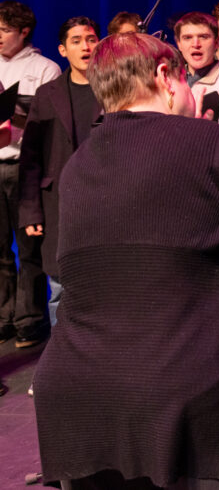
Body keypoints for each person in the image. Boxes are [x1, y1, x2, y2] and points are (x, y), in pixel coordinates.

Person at [33, 32, 219, 489]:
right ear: (165, 76)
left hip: (80, 392)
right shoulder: (208, 142)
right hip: (191, 386)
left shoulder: (79, 163)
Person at [19, 17, 102, 327]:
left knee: (102, 283)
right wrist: (30, 212)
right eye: (76, 41)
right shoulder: (47, 94)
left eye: (91, 39)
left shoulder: (114, 88)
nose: (85, 46)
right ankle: (62, 353)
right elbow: (31, 158)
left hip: (102, 199)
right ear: (63, 50)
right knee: (59, 288)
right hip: (59, 203)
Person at [0, 0, 61, 349]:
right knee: (0, 250)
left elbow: (46, 123)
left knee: (29, 249)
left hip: (24, 166)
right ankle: (4, 317)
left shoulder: (44, 68)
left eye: (5, 30)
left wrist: (15, 119)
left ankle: (30, 320)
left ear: (24, 31)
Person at [173, 11, 219, 109]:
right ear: (179, 44)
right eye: (188, 38)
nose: (196, 44)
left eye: (203, 37)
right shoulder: (171, 80)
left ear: (216, 43)